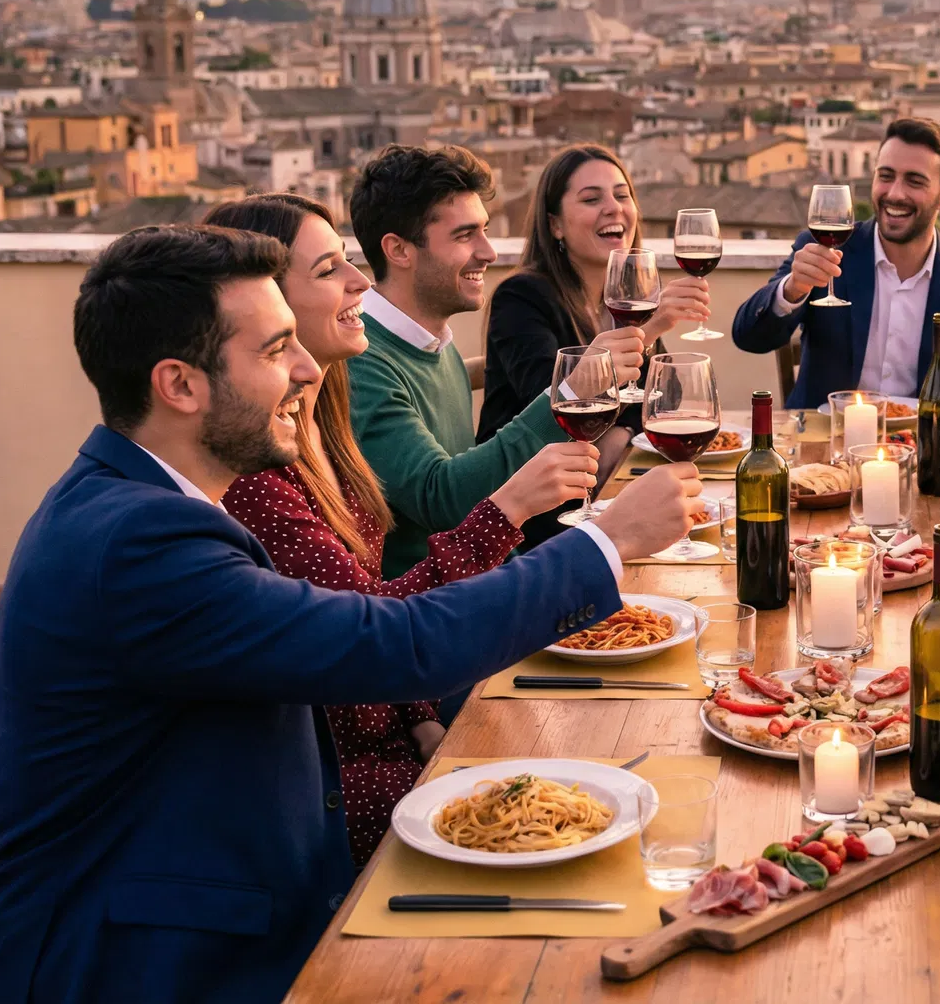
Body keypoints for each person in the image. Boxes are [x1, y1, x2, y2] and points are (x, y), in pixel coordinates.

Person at [0, 225, 704, 1004]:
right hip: (144, 965)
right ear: (180, 386)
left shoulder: (150, 505)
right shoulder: (138, 543)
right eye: (272, 350)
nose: (301, 370)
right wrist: (603, 543)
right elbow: (386, 642)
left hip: (226, 906)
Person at [207, 194, 597, 864]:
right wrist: (525, 517)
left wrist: (416, 713)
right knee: (560, 779)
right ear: (265, 306)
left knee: (570, 750)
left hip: (389, 705)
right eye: (330, 269)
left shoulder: (327, 418)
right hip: (332, 777)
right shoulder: (258, 474)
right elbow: (366, 634)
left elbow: (364, 600)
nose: (360, 282)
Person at [346, 144, 572, 580]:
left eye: (484, 231)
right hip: (425, 614)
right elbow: (442, 498)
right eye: (465, 235)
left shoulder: (432, 340)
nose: (488, 252)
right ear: (398, 250)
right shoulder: (361, 361)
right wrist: (570, 395)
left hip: (482, 583)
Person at [732, 116, 940, 410]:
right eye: (885, 176)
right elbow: (748, 338)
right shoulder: (824, 250)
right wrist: (792, 289)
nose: (895, 193)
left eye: (914, 181)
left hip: (926, 446)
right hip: (825, 442)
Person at [478, 144, 704, 444]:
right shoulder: (520, 297)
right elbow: (552, 410)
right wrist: (649, 330)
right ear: (555, 224)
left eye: (622, 195)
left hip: (599, 477)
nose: (614, 208)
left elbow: (665, 400)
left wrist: (620, 434)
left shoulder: (627, 297)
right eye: (591, 199)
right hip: (524, 482)